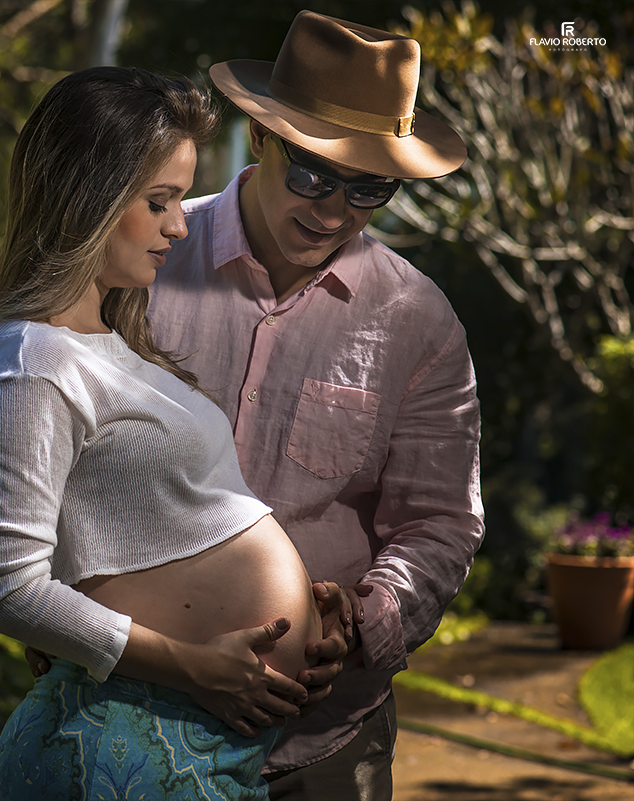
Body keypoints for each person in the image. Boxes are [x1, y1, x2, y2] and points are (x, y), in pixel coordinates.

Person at [0, 66, 334, 800]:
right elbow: (5, 588)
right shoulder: (34, 360)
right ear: (87, 199)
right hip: (121, 736)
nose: (180, 224)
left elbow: (153, 533)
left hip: (171, 744)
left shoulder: (111, 344)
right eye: (158, 201)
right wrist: (191, 663)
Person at [140, 10, 486, 801]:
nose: (333, 210)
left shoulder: (420, 322)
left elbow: (441, 521)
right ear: (259, 138)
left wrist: (364, 622)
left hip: (323, 743)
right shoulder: (145, 259)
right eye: (312, 174)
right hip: (137, 716)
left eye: (369, 188)